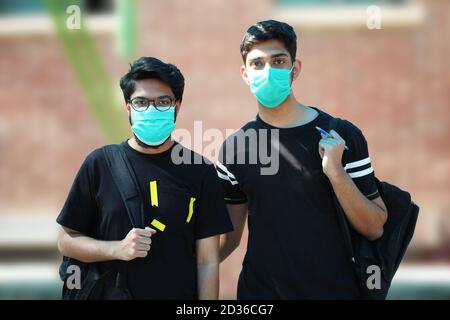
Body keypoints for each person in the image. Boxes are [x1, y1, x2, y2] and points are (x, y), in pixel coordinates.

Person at [218, 20, 388, 299]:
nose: (268, 71)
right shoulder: (234, 148)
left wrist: (336, 172)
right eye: (257, 64)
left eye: (278, 61)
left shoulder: (341, 135)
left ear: (294, 69)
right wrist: (174, 266)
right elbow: (229, 239)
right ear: (245, 74)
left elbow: (374, 226)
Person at [57, 57, 233, 299]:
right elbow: (66, 240)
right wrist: (117, 249)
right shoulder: (99, 164)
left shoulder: (200, 171)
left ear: (177, 106)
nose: (151, 110)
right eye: (141, 102)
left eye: (163, 102)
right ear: (128, 107)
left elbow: (207, 261)